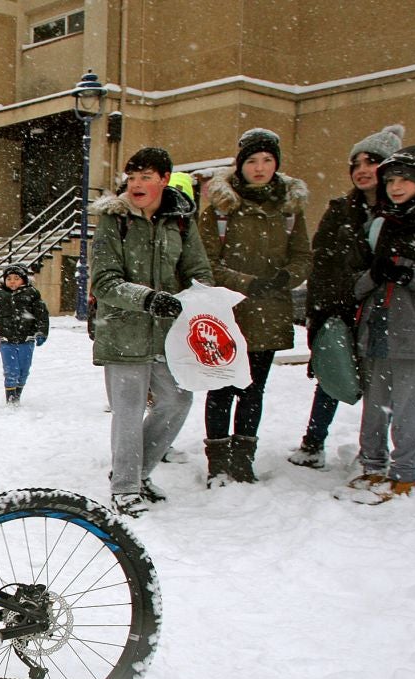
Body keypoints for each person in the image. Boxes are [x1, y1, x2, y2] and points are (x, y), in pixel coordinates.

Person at [89, 146, 214, 517]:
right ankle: (125, 488)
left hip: (168, 333)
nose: (137, 184)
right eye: (132, 177)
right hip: (123, 330)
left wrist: (202, 299)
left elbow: (198, 271)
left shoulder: (180, 222)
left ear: (164, 179)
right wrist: (147, 299)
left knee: (178, 400)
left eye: (146, 176)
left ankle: (139, 472)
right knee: (127, 411)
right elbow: (105, 281)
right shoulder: (115, 221)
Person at [198, 128, 313, 485]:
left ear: (277, 164)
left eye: (267, 160)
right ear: (240, 164)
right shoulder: (220, 208)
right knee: (220, 389)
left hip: (269, 313)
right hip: (227, 316)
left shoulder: (290, 210)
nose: (260, 167)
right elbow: (206, 262)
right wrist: (248, 283)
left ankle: (243, 459)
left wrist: (283, 278)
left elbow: (303, 256)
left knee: (252, 390)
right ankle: (218, 462)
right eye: (252, 160)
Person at [289, 125, 405, 468]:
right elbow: (322, 264)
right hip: (341, 308)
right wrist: (324, 310)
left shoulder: (405, 214)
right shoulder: (340, 210)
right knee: (333, 374)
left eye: (372, 162)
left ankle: (382, 449)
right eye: (357, 163)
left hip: (387, 312)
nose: (363, 170)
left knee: (386, 384)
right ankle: (313, 443)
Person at [338, 144, 415, 504]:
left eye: (406, 179)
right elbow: (355, 283)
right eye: (390, 179)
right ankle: (372, 465)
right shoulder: (380, 225)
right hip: (376, 328)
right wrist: (374, 275)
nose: (396, 186)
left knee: (409, 407)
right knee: (375, 407)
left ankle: (404, 474)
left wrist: (411, 275)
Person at [0, 263, 48, 404]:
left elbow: (42, 316)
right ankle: (11, 399)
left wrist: (41, 333)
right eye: (9, 278)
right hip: (6, 341)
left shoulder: (32, 294)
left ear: (24, 280)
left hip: (27, 340)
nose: (12, 281)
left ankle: (18, 394)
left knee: (23, 371)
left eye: (16, 278)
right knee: (11, 371)